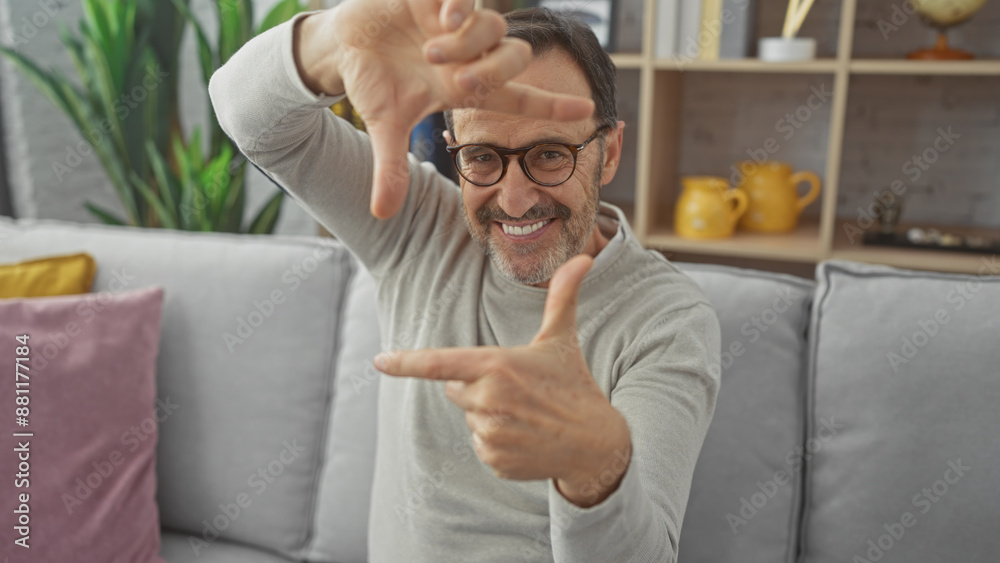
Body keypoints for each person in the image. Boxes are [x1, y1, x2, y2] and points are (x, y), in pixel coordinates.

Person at [209, 0, 721, 560]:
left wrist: (593, 469)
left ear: (610, 151)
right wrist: (333, 40)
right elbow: (248, 114)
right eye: (481, 157)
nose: (515, 198)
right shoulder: (422, 227)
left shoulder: (668, 320)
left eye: (551, 154)